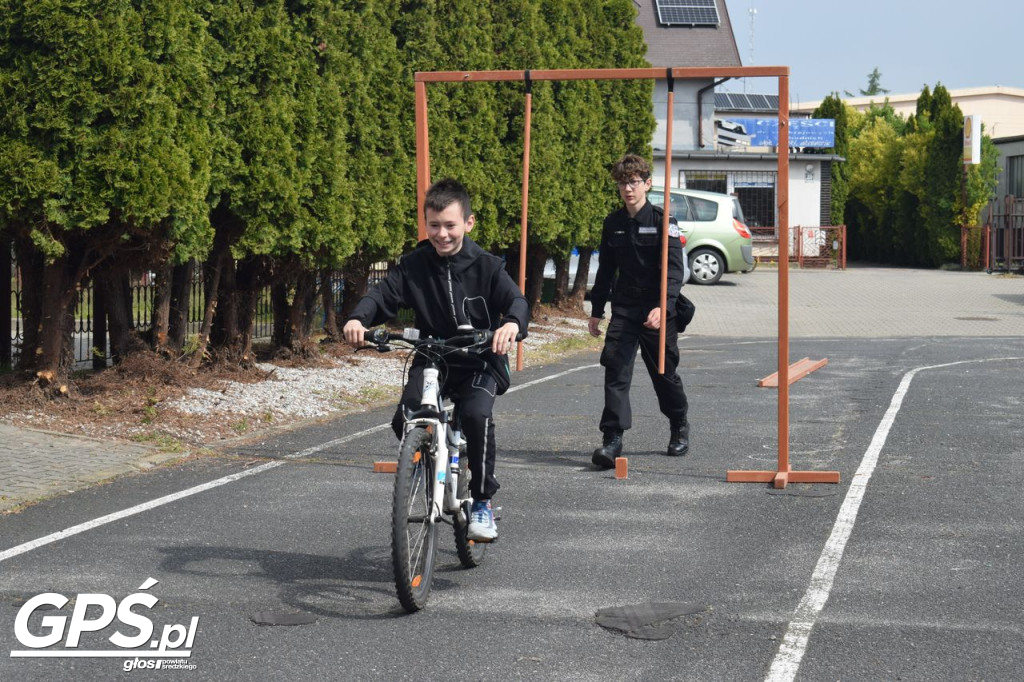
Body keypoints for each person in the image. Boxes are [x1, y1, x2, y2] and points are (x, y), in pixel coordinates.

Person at [343, 178, 529, 541]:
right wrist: (357, 319)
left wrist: (511, 325)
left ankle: (482, 501)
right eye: (434, 226)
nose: (442, 234)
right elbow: (382, 295)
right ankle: (430, 464)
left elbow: (517, 302)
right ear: (425, 224)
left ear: (468, 223)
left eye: (450, 225)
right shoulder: (415, 265)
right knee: (406, 419)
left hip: (479, 360)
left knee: (476, 416)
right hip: (433, 358)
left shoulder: (488, 266)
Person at [587, 154, 690, 469]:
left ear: (647, 184)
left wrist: (664, 305)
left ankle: (679, 425)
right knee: (615, 369)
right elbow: (605, 270)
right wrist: (596, 310)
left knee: (663, 372)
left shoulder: (663, 222)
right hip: (625, 308)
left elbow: (674, 272)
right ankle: (612, 439)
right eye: (622, 183)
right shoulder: (613, 223)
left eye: (633, 182)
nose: (627, 189)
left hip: (658, 307)